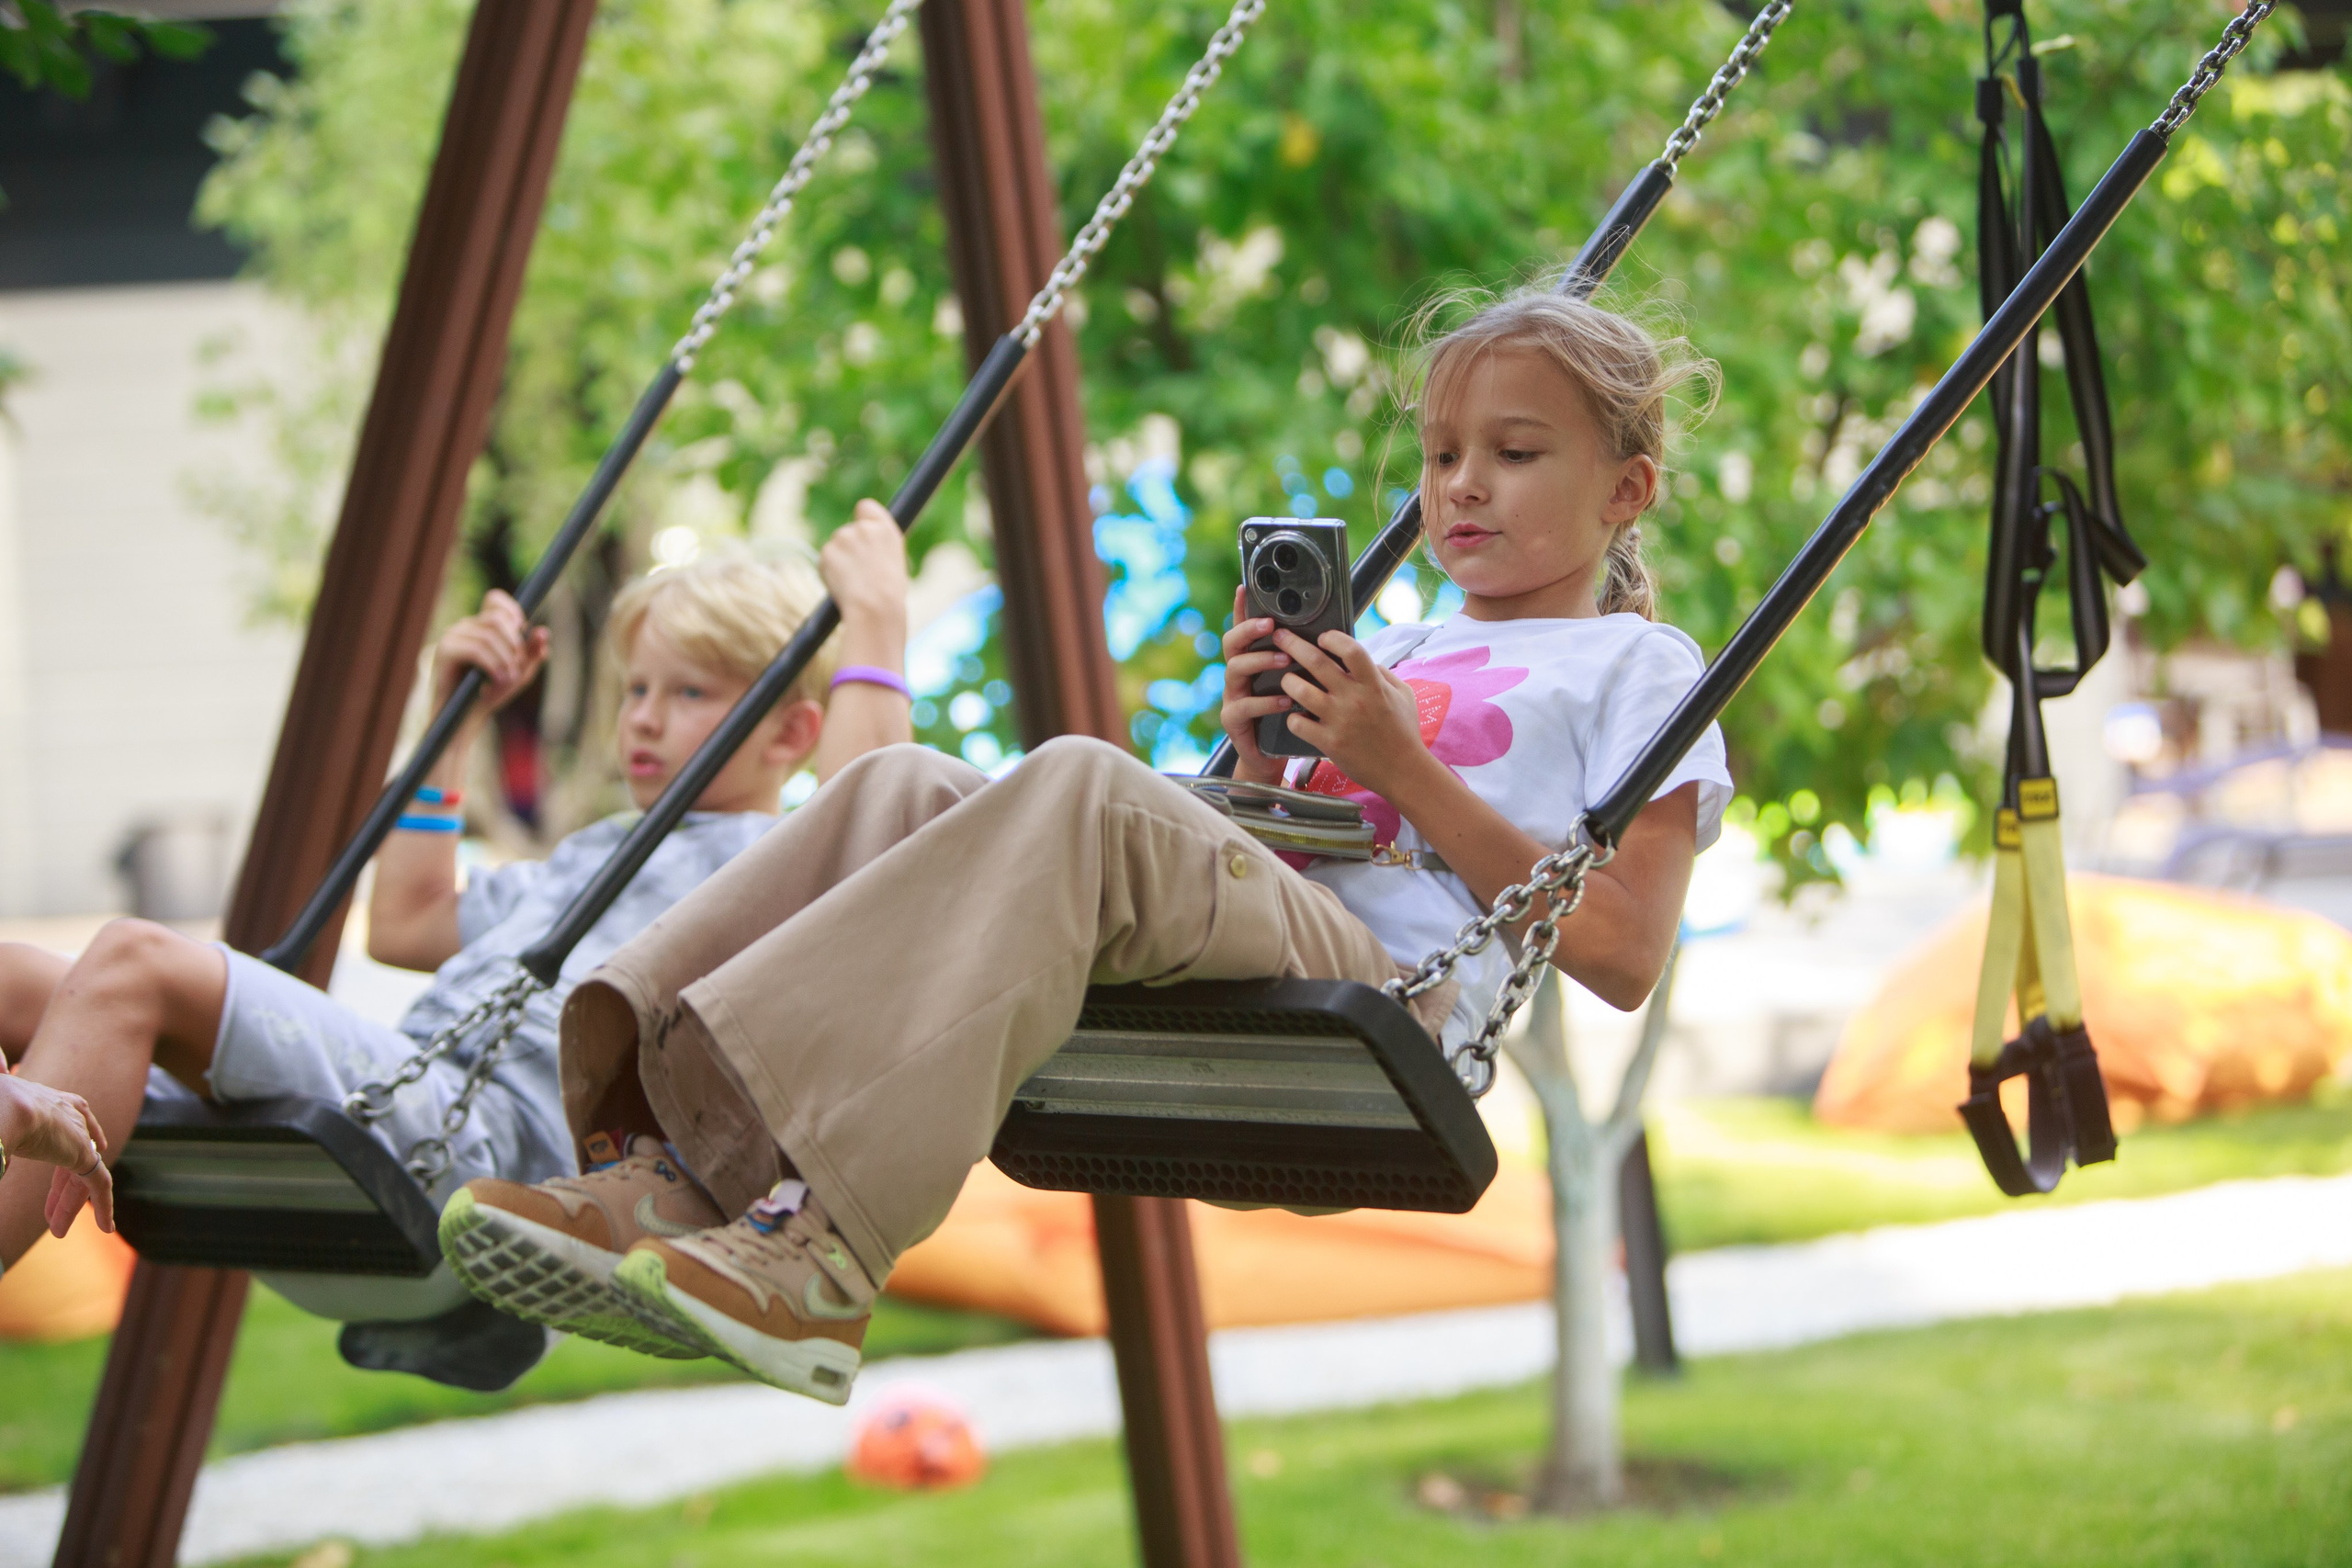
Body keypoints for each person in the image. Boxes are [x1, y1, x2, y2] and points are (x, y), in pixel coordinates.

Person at [443, 287, 1734, 1404]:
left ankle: (827, 1251)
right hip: (1264, 942)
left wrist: (1398, 761)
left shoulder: (1637, 665)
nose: (1460, 483)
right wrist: (1272, 753)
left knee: (1077, 778)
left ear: (1626, 488)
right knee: (900, 781)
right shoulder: (1388, 644)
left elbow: (1622, 949)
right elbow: (1282, 841)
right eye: (1443, 451)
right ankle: (658, 1152)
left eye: (1512, 452)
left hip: (1392, 1004)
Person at [0, 503, 910, 1386]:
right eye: (636, 687)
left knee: (133, 962)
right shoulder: (592, 853)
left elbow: (867, 855)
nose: (640, 716)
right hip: (413, 1102)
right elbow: (410, 921)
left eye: (688, 693)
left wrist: (872, 624)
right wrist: (453, 725)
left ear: (794, 733)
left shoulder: (772, 868)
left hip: (485, 1154)